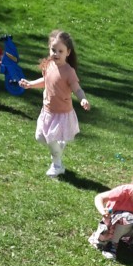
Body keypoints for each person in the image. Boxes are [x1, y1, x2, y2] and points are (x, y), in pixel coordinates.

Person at [19, 30, 90, 177]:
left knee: (50, 139)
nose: (56, 54)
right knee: (40, 137)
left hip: (62, 114)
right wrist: (30, 84)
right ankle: (59, 149)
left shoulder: (69, 71)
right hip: (47, 111)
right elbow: (46, 81)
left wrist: (82, 99)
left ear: (68, 52)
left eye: (60, 51)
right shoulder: (48, 65)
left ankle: (57, 165)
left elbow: (77, 89)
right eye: (53, 50)